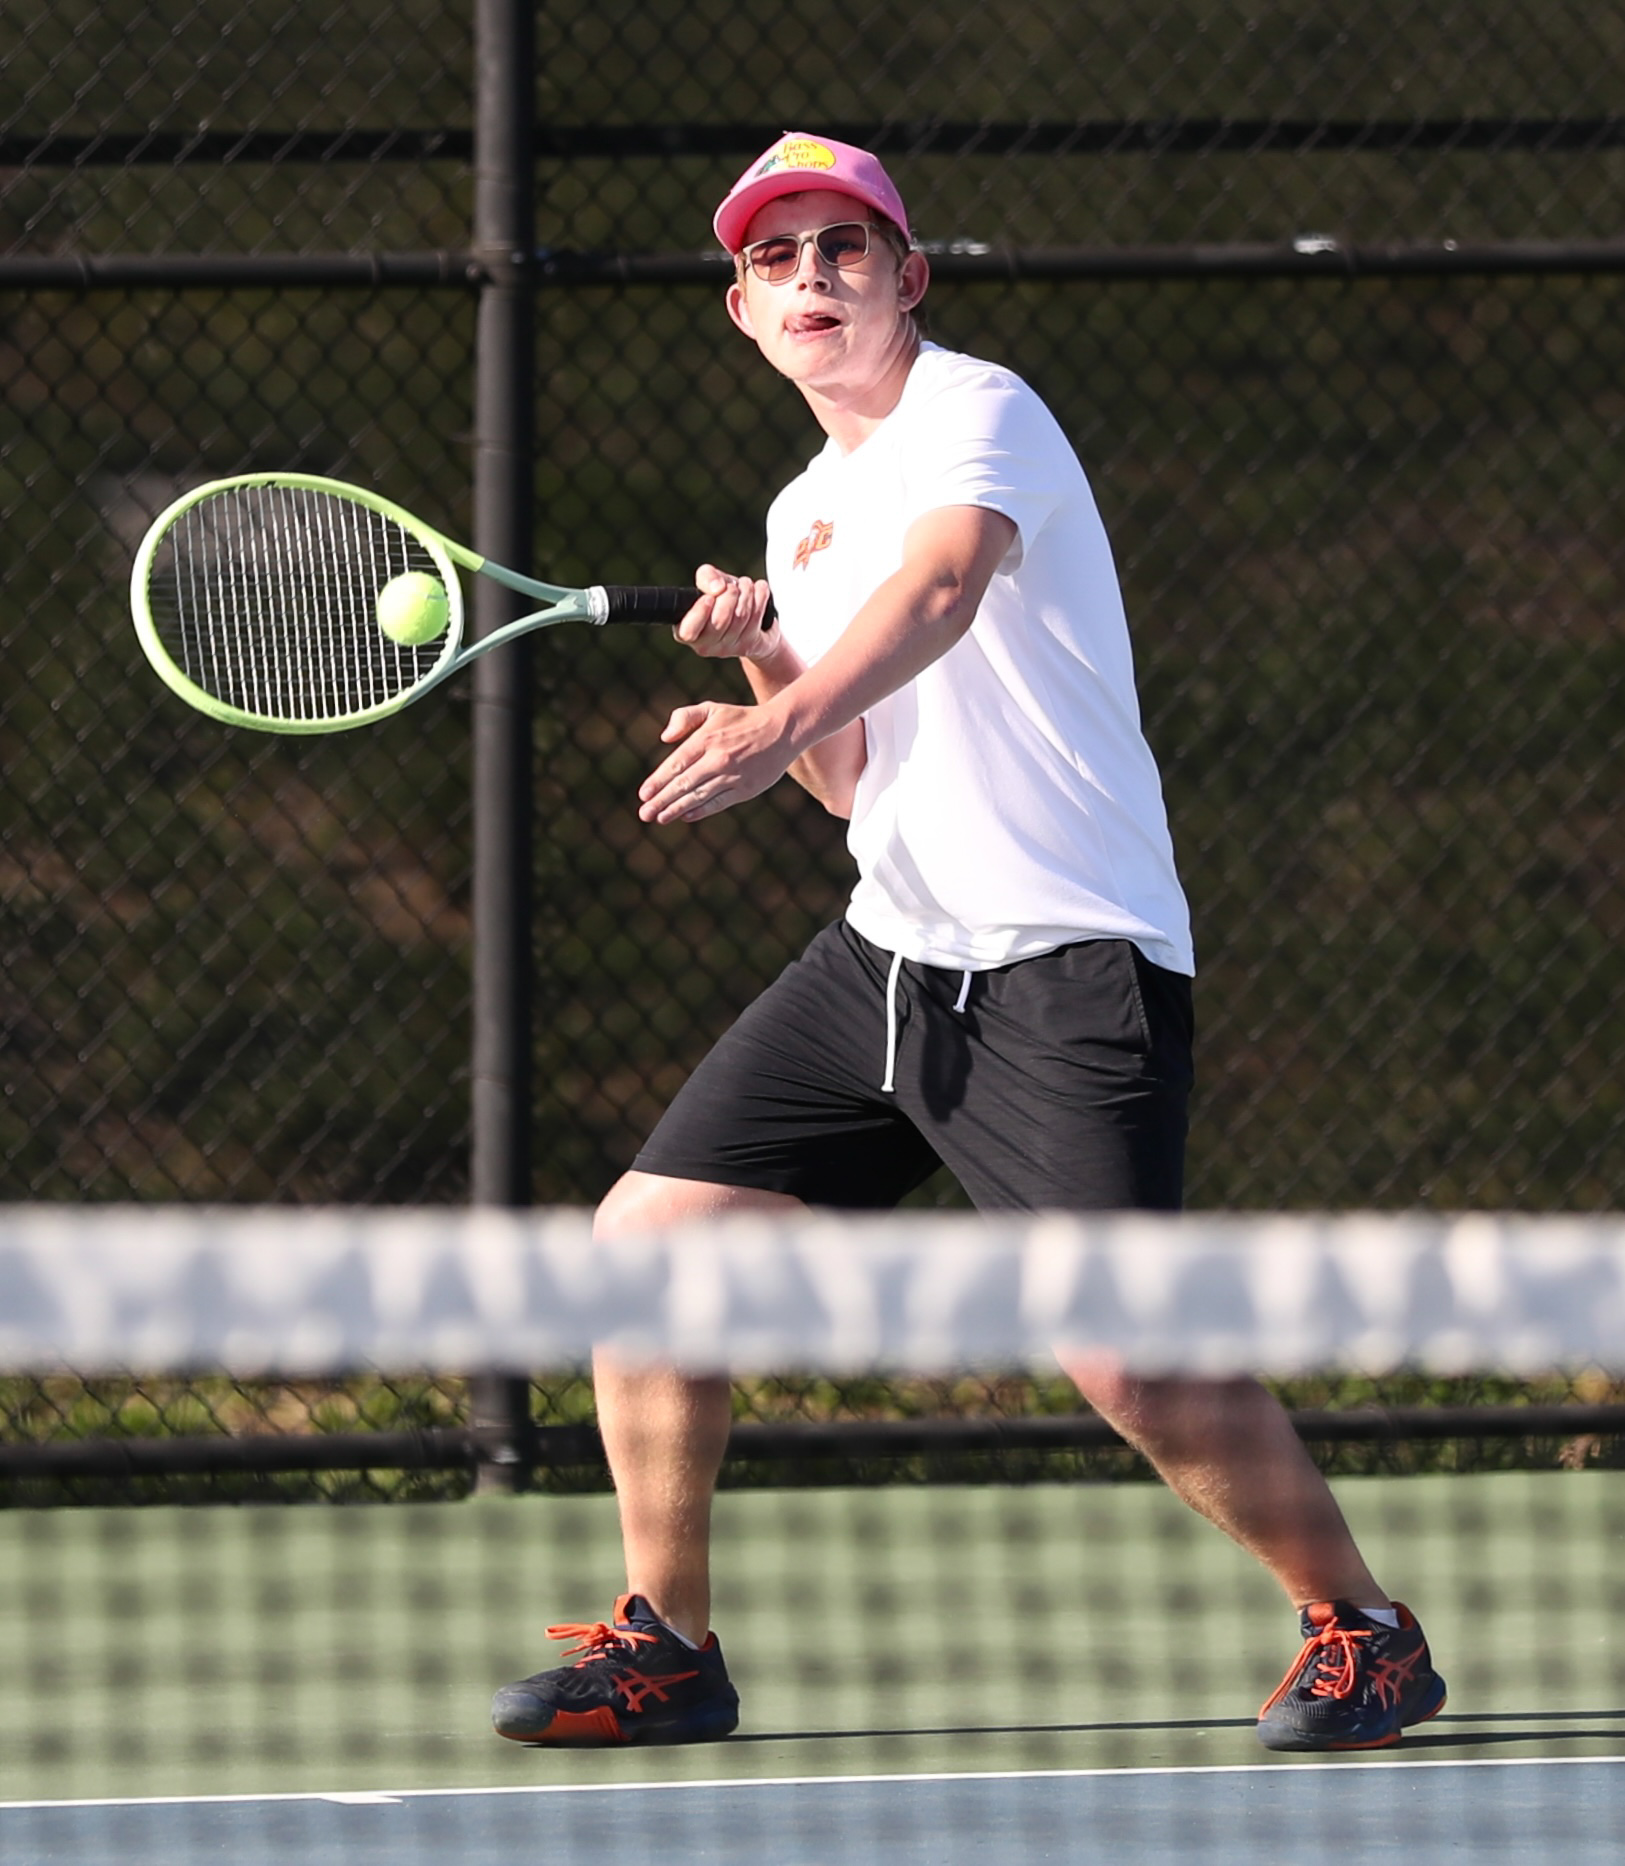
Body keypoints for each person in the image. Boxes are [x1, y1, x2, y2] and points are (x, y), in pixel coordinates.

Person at [490, 132, 1445, 1754]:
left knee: (1123, 1352)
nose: (811, 275)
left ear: (906, 278)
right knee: (647, 1239)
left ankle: (1361, 1628)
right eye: (776, 257)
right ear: (743, 310)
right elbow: (853, 779)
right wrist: (766, 668)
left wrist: (779, 707)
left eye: (843, 247)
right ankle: (668, 1644)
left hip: (1067, 955)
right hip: (889, 951)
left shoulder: (978, 410)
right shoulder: (800, 513)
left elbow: (940, 589)